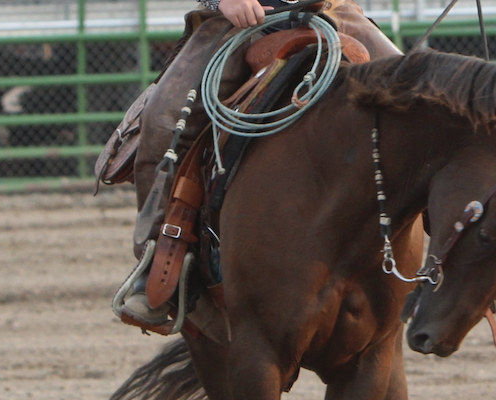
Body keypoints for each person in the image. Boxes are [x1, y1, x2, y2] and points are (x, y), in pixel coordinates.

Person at [119, 0, 402, 327]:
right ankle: (160, 258)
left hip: (332, 10)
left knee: (420, 100)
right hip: (240, 20)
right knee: (166, 119)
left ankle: (443, 261)